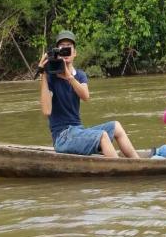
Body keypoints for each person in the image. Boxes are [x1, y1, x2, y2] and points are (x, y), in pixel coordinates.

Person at [38, 30, 137, 158]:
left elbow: (85, 96)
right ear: (57, 52)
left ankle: (139, 163)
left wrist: (69, 77)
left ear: (75, 53)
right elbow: (46, 111)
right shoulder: (51, 77)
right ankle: (121, 172)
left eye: (69, 48)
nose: (65, 51)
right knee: (102, 136)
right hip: (62, 136)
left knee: (116, 126)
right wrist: (43, 75)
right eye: (62, 48)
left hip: (79, 130)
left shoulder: (79, 75)